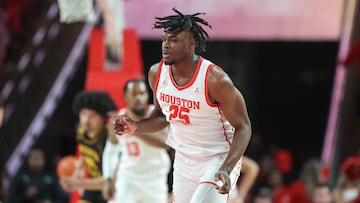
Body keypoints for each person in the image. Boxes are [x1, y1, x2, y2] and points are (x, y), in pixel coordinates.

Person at [113, 8, 252, 203]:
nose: (166, 46)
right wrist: (136, 126)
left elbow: (244, 127)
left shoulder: (215, 80)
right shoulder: (157, 73)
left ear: (192, 43)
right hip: (184, 160)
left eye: (174, 40)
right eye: (164, 39)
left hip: (217, 159)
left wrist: (227, 168)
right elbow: (162, 117)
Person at [102, 79, 171, 203]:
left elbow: (166, 145)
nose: (138, 98)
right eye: (134, 94)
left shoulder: (156, 115)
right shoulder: (118, 119)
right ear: (125, 97)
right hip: (128, 177)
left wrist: (133, 129)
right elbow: (111, 151)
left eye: (142, 93)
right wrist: (108, 178)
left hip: (155, 178)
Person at [60, 91, 117, 203]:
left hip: (111, 189)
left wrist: (77, 183)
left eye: (92, 116)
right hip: (92, 187)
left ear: (103, 118)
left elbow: (111, 180)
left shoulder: (109, 141)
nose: (86, 120)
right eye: (84, 114)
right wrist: (78, 171)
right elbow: (85, 153)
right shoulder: (81, 132)